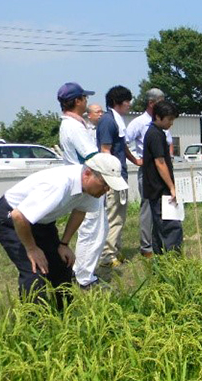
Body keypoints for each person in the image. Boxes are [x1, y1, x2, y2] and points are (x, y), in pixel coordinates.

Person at [0, 154, 127, 307]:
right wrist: (32, 249)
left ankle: (64, 314)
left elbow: (80, 211)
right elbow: (18, 216)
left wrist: (63, 244)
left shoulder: (91, 189)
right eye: (105, 184)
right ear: (88, 173)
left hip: (41, 222)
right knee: (35, 270)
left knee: (62, 266)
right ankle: (34, 322)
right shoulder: (59, 184)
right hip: (11, 219)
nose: (107, 189)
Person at [57, 82, 108, 289]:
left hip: (83, 182)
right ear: (77, 101)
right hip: (88, 183)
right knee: (93, 230)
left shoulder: (72, 124)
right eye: (84, 98)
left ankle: (80, 272)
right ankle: (84, 277)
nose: (86, 101)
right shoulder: (74, 127)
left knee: (92, 228)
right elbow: (92, 157)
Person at [96, 85, 142, 267]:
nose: (129, 105)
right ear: (117, 103)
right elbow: (105, 151)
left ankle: (115, 250)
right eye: (126, 102)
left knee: (120, 216)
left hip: (120, 175)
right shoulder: (108, 121)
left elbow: (122, 146)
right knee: (113, 216)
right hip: (112, 177)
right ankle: (107, 256)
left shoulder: (118, 120)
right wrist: (109, 179)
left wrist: (134, 160)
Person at [125, 88, 172, 258]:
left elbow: (169, 142)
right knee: (147, 207)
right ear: (151, 103)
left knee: (162, 207)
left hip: (163, 169)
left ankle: (161, 240)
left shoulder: (164, 121)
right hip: (148, 171)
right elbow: (123, 143)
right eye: (160, 101)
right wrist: (136, 160)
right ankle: (146, 246)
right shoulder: (139, 123)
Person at [142, 101, 183, 253]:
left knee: (159, 227)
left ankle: (160, 260)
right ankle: (174, 262)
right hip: (159, 189)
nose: (171, 123)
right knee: (171, 225)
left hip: (155, 188)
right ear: (158, 117)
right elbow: (160, 163)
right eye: (169, 119)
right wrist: (172, 187)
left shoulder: (156, 132)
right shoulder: (155, 134)